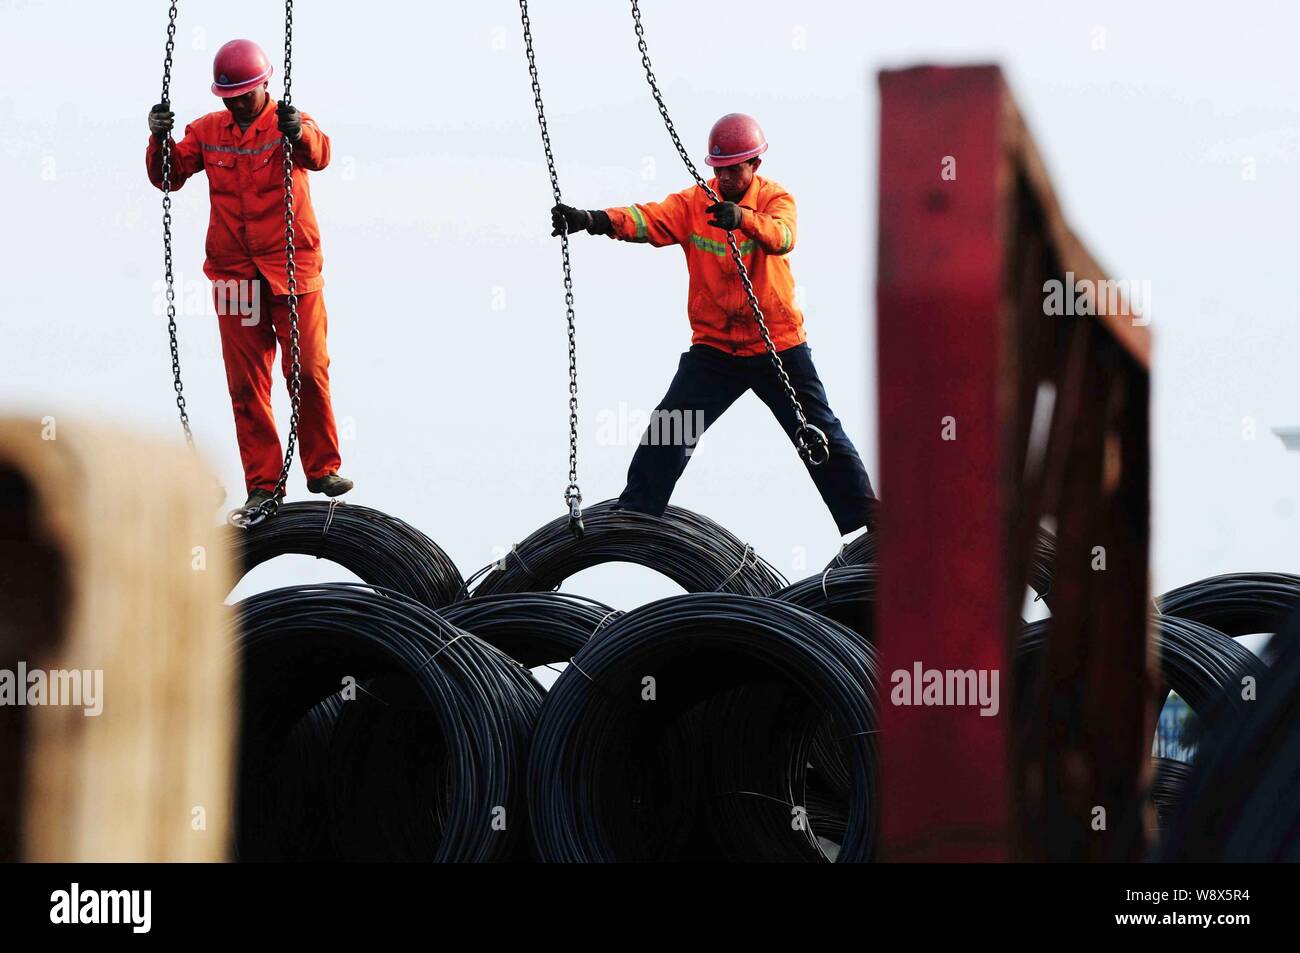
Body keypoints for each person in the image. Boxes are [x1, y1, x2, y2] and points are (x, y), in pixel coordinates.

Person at [551, 113, 876, 536]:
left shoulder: (777, 199)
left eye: (733, 169)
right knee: (672, 424)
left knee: (817, 431)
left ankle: (868, 524)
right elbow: (647, 219)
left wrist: (741, 219)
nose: (723, 177)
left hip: (776, 344)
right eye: (718, 169)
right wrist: (591, 220)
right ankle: (636, 514)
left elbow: (782, 238)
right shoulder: (693, 205)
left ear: (755, 165)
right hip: (716, 349)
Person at [146, 38, 352, 512]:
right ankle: (263, 485)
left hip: (292, 269)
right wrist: (159, 138)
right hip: (235, 274)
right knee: (246, 383)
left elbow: (319, 154)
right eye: (228, 96)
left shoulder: (290, 123)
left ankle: (321, 470)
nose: (237, 103)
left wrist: (297, 132)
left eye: (244, 94)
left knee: (308, 370)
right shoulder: (208, 130)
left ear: (263, 86)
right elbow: (169, 176)